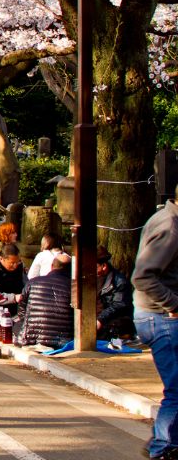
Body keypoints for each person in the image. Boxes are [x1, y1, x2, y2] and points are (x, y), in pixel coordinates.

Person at [132, 197, 178, 460]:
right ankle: (163, 447)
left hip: (157, 314)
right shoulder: (171, 226)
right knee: (176, 388)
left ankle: (164, 439)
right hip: (161, 316)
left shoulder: (165, 218)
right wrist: (173, 304)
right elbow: (142, 276)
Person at [16, 253, 73, 349]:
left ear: (52, 266)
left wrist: (26, 323)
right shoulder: (73, 287)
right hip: (63, 341)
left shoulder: (32, 282)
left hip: (31, 339)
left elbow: (21, 308)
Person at [97, 245, 134, 339]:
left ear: (104, 266)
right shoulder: (88, 279)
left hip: (111, 323)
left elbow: (119, 305)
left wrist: (100, 319)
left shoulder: (119, 281)